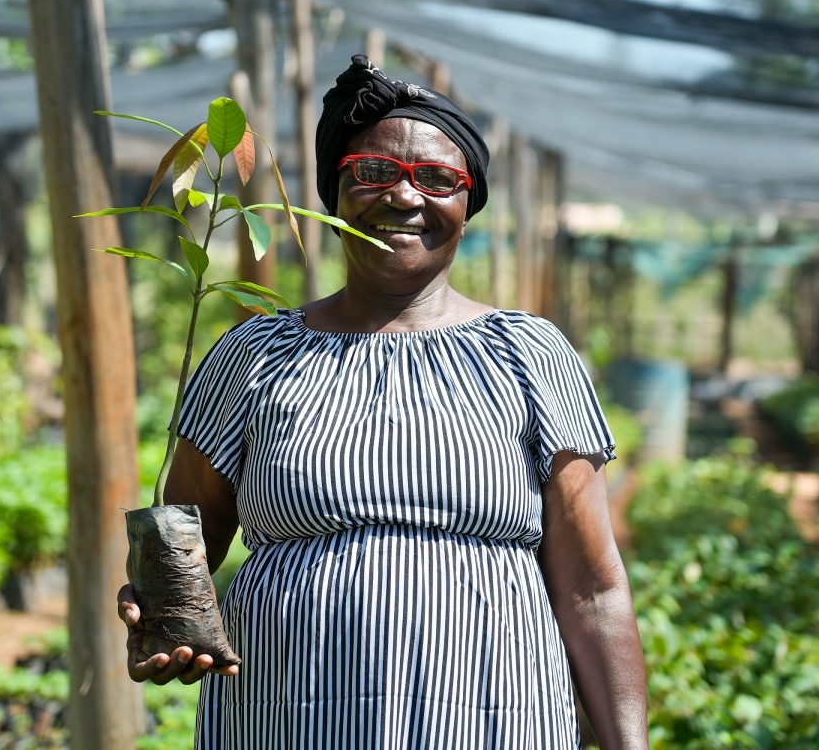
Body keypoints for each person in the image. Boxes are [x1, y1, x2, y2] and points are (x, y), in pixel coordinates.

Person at [117, 55, 650, 750]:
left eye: (437, 179)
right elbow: (192, 533)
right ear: (333, 191)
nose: (404, 197)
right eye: (373, 172)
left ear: (468, 204)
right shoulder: (256, 354)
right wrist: (159, 607)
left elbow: (592, 590)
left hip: (493, 715)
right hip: (290, 716)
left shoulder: (529, 354)